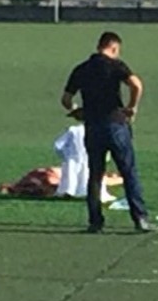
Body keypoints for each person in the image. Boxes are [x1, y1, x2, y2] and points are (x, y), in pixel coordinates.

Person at [61, 31, 151, 233]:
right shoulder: (116, 66)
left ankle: (95, 221)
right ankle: (140, 218)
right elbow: (136, 85)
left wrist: (76, 110)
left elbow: (66, 99)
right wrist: (132, 107)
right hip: (115, 124)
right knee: (128, 172)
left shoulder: (82, 69)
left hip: (93, 126)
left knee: (95, 174)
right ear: (114, 47)